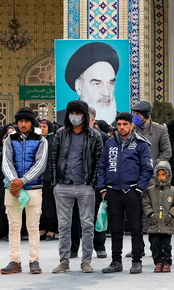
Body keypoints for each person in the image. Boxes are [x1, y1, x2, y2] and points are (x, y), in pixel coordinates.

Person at [50, 100, 104, 274]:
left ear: (85, 115)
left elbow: (99, 161)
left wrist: (93, 183)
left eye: (78, 113)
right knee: (64, 225)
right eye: (72, 113)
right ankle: (64, 261)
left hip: (85, 185)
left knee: (87, 225)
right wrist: (55, 183)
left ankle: (86, 261)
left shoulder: (94, 136)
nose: (75, 117)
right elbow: (53, 158)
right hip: (63, 185)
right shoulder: (60, 134)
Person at [98, 112, 153, 274]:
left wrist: (138, 189)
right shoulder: (110, 143)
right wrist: (103, 189)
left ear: (131, 125)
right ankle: (116, 261)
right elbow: (102, 167)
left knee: (135, 227)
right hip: (113, 191)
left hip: (132, 191)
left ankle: (136, 261)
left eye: (124, 124)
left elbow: (147, 168)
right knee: (115, 228)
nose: (121, 127)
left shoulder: (141, 144)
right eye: (119, 124)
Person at [0, 107, 48, 275]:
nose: (23, 124)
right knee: (14, 227)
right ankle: (15, 261)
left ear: (31, 122)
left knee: (33, 227)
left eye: (26, 121)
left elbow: (40, 164)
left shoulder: (41, 140)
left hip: (33, 189)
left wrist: (23, 180)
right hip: (12, 189)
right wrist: (14, 182)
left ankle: (34, 261)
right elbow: (6, 162)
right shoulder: (9, 140)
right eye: (20, 121)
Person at [61, 42, 120, 123]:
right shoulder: (63, 121)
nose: (106, 93)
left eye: (110, 83)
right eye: (97, 84)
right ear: (79, 86)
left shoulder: (122, 123)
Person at [142, 161, 174, 273]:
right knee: (154, 244)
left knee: (166, 244)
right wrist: (150, 214)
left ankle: (166, 262)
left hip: (167, 223)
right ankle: (157, 262)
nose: (161, 177)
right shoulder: (150, 191)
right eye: (159, 175)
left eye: (163, 175)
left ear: (168, 175)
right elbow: (145, 203)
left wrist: (171, 215)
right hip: (154, 224)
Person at [130, 101, 171, 168]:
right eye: (134, 114)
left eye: (138, 114)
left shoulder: (160, 130)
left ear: (146, 115)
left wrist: (154, 164)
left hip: (152, 174)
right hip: (133, 173)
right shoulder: (131, 130)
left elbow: (167, 152)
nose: (135, 116)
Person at [38, 119, 57, 242]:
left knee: (50, 205)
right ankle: (41, 229)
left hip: (49, 178)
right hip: (38, 178)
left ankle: (51, 230)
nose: (42, 128)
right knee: (39, 205)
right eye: (40, 126)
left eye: (44, 126)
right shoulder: (38, 139)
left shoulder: (53, 140)